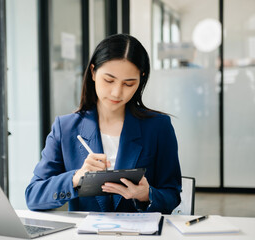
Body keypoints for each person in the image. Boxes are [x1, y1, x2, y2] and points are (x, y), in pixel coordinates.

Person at [25, 34, 181, 214]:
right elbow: (33, 196)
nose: (116, 92)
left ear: (141, 80)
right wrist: (76, 178)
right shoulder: (66, 128)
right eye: (109, 80)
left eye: (129, 84)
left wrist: (146, 194)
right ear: (93, 72)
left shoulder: (157, 127)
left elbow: (172, 195)